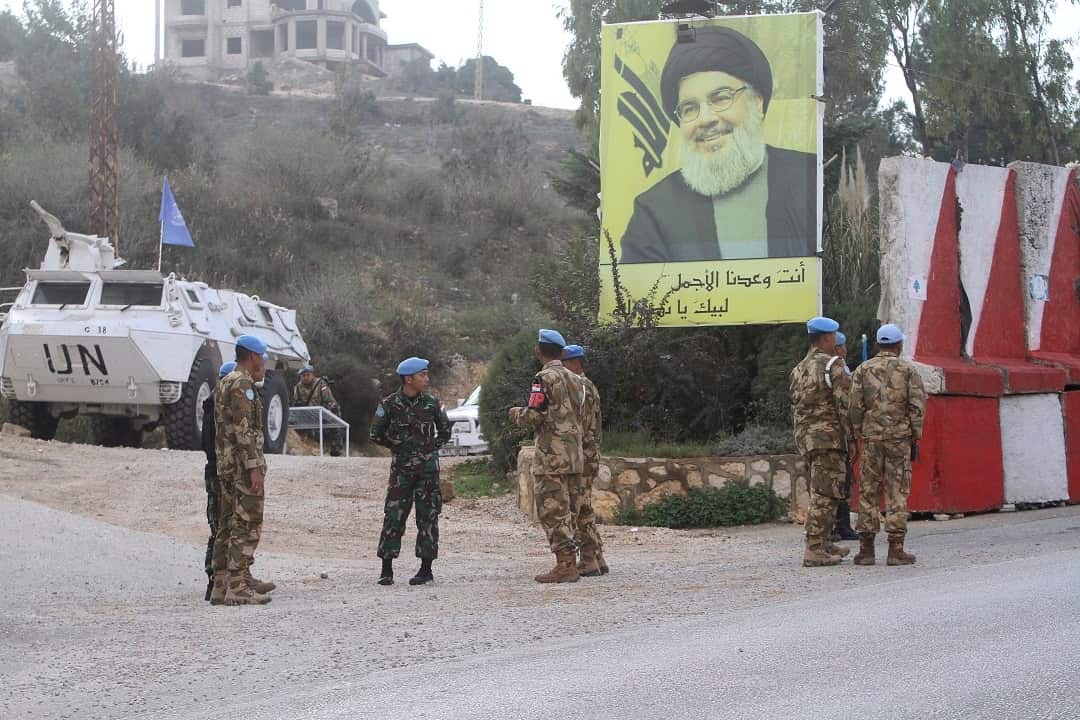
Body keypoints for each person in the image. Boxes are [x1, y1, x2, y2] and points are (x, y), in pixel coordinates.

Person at [619, 25, 817, 264]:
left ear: (757, 103)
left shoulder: (809, 177)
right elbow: (641, 296)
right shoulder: (654, 210)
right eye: (690, 108)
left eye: (721, 98)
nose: (705, 119)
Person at [509, 329, 585, 584]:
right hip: (574, 454)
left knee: (552, 510)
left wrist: (518, 413)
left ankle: (565, 565)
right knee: (570, 510)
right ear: (562, 352)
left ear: (538, 351)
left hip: (552, 455)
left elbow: (535, 414)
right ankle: (572, 561)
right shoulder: (576, 379)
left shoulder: (543, 377)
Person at [849, 324, 927, 566]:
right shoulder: (907, 370)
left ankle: (866, 550)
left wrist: (859, 431)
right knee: (897, 490)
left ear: (879, 343)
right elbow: (917, 406)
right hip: (898, 439)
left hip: (871, 439)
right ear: (899, 344)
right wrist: (916, 434)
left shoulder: (863, 369)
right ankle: (896, 549)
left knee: (868, 490)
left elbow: (854, 406)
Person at [370, 357, 452, 586]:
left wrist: (428, 450)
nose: (427, 379)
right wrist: (398, 447)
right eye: (422, 375)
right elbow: (375, 434)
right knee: (394, 517)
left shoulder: (432, 403)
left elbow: (445, 432)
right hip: (401, 472)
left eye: (426, 374)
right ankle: (386, 570)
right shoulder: (389, 404)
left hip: (428, 472)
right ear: (408, 379)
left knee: (428, 517)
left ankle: (426, 570)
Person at [209, 335, 275, 606]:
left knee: (227, 522)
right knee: (246, 522)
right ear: (253, 356)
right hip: (241, 466)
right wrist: (253, 467)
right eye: (263, 357)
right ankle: (237, 586)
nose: (264, 363)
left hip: (226, 464)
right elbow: (243, 430)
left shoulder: (225, 381)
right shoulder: (242, 383)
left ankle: (222, 584)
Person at [789, 316, 855, 567]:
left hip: (807, 439)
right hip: (829, 439)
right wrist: (853, 436)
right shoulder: (832, 365)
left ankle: (825, 542)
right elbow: (845, 404)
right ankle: (815, 548)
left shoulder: (798, 369)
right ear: (827, 338)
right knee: (826, 493)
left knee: (821, 490)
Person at [561, 344, 607, 577]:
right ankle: (597, 556)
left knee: (578, 507)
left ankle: (589, 558)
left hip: (583, 455)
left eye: (565, 363)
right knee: (584, 505)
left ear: (575, 363)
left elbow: (579, 424)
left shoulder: (581, 387)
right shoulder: (586, 386)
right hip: (588, 453)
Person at [201, 360, 235, 602]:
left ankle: (219, 579)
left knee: (222, 527)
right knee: (221, 528)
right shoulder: (216, 408)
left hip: (219, 473)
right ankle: (215, 580)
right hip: (219, 474)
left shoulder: (215, 405)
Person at [829, 332, 858, 542]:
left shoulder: (842, 368)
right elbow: (844, 404)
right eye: (843, 346)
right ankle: (832, 528)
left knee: (844, 480)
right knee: (831, 482)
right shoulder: (835, 369)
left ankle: (843, 525)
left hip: (837, 435)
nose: (845, 350)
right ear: (836, 348)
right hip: (834, 434)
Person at [293, 364, 344, 456]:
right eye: (303, 375)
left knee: (334, 420)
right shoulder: (297, 387)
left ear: (313, 375)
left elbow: (329, 401)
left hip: (326, 410)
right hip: (309, 413)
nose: (306, 377)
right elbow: (296, 402)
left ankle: (336, 448)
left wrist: (326, 413)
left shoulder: (321, 383)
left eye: (308, 375)